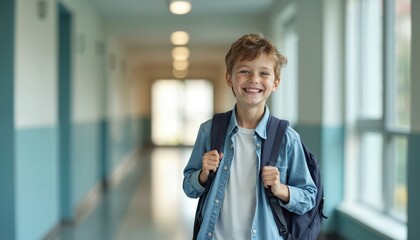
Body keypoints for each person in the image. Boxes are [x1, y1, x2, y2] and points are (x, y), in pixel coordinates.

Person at [183, 33, 317, 240]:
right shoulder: (209, 131)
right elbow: (189, 188)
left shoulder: (287, 139)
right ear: (229, 78)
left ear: (276, 83)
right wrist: (202, 175)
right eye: (244, 71)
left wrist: (281, 189)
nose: (254, 79)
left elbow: (309, 196)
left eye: (264, 73)